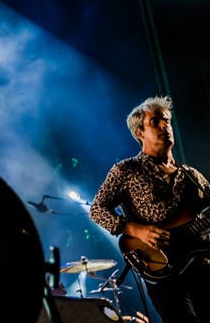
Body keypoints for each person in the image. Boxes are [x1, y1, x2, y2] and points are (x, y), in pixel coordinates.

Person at [90, 96, 210, 322]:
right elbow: (97, 209)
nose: (165, 125)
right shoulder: (126, 170)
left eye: (167, 120)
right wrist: (136, 230)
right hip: (165, 275)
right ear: (139, 133)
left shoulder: (191, 175)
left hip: (201, 267)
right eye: (156, 121)